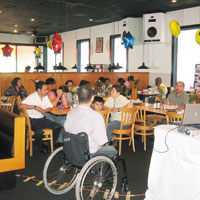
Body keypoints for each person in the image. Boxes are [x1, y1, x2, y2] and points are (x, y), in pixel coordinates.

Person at [64, 85, 117, 158]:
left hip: (72, 149)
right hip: (88, 153)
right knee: (113, 150)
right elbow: (102, 141)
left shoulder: (70, 113)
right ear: (92, 98)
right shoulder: (96, 116)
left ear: (77, 97)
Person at [19, 81, 61, 154]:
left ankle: (48, 144)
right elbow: (20, 106)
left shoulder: (45, 97)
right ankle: (39, 147)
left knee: (58, 127)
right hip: (31, 120)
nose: (47, 91)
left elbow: (50, 107)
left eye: (47, 89)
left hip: (41, 119)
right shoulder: (32, 97)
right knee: (39, 132)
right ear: (39, 90)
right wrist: (34, 107)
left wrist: (45, 110)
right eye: (45, 90)